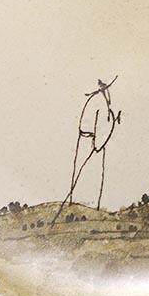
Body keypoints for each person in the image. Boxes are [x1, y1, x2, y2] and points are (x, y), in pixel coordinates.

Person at [52, 76, 121, 223]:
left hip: (90, 141)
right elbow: (100, 125)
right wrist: (97, 145)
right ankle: (80, 210)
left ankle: (87, 210)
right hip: (90, 141)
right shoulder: (98, 102)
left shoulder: (99, 102)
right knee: (86, 174)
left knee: (90, 177)